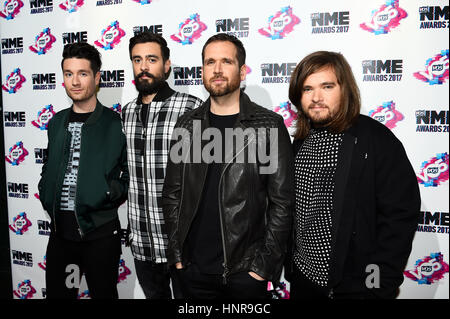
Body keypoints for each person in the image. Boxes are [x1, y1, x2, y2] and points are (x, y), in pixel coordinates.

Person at [162, 33, 294, 299]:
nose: (218, 69)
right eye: (210, 62)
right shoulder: (187, 126)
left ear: (242, 71)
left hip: (245, 274)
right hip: (192, 272)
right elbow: (172, 194)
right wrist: (177, 256)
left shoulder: (267, 126)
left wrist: (261, 268)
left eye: (226, 61)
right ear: (202, 71)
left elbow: (282, 203)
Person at [286, 51, 420, 299]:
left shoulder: (375, 139)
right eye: (307, 89)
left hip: (356, 287)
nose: (316, 97)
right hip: (304, 282)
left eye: (327, 86)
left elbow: (400, 215)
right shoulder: (299, 143)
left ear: (344, 89)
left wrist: (377, 285)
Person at [38, 42, 129, 299]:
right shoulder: (56, 122)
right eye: (69, 74)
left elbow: (128, 172)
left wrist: (106, 192)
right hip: (61, 237)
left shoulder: (114, 124)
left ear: (97, 77)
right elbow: (48, 165)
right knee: (60, 296)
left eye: (83, 73)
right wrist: (45, 189)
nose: (75, 81)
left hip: (99, 236)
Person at [121, 32, 203, 299]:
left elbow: (207, 174)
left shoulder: (190, 107)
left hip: (181, 242)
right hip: (142, 240)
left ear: (167, 65)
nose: (143, 67)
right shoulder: (127, 112)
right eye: (137, 59)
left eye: (152, 59)